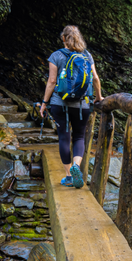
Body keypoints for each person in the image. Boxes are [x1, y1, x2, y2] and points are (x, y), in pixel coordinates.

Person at [39, 26, 104, 188]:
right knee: (79, 137)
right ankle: (76, 166)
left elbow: (52, 81)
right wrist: (98, 97)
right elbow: (95, 78)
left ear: (64, 39)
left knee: (64, 137)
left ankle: (69, 176)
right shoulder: (87, 56)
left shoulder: (56, 56)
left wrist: (44, 103)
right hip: (82, 105)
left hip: (59, 103)